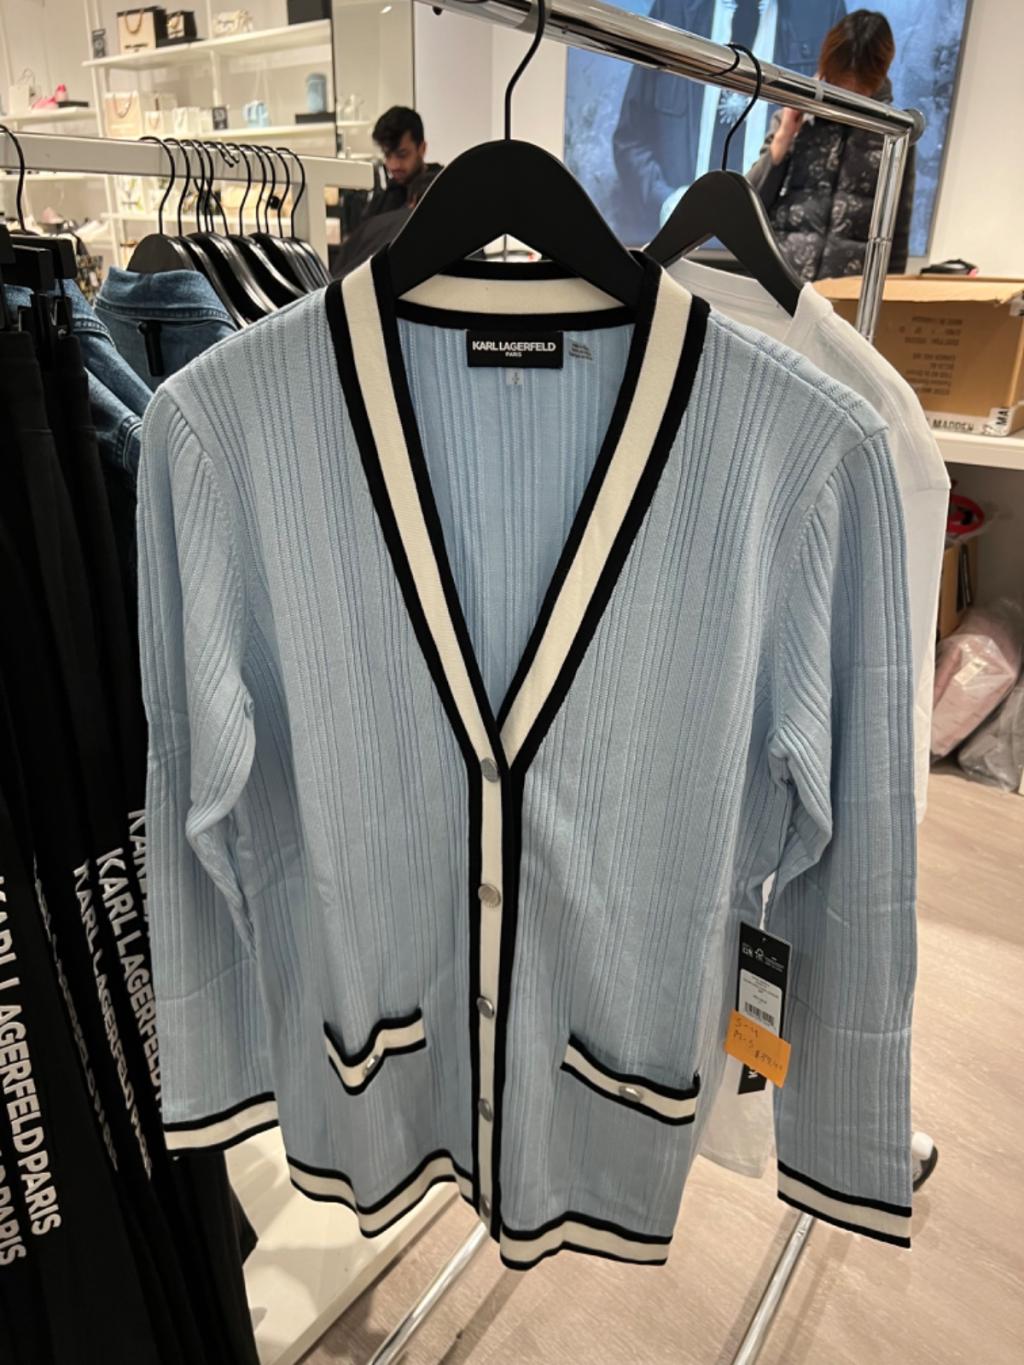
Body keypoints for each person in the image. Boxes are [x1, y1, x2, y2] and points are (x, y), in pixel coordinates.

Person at [612, 0, 846, 245]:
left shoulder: (824, 14)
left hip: (773, 250)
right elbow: (630, 141)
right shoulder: (673, 9)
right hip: (674, 248)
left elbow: (840, 156)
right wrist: (667, 202)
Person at [747, 9, 916, 280]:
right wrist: (785, 136)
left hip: (848, 293)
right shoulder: (795, 118)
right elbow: (749, 206)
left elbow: (898, 229)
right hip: (782, 283)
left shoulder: (894, 135)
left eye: (860, 81)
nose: (849, 87)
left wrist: (891, 291)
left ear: (880, 70)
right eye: (842, 77)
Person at [365, 106, 442, 217]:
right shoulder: (383, 200)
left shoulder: (442, 188)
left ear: (422, 148)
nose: (394, 165)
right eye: (387, 155)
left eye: (402, 155)